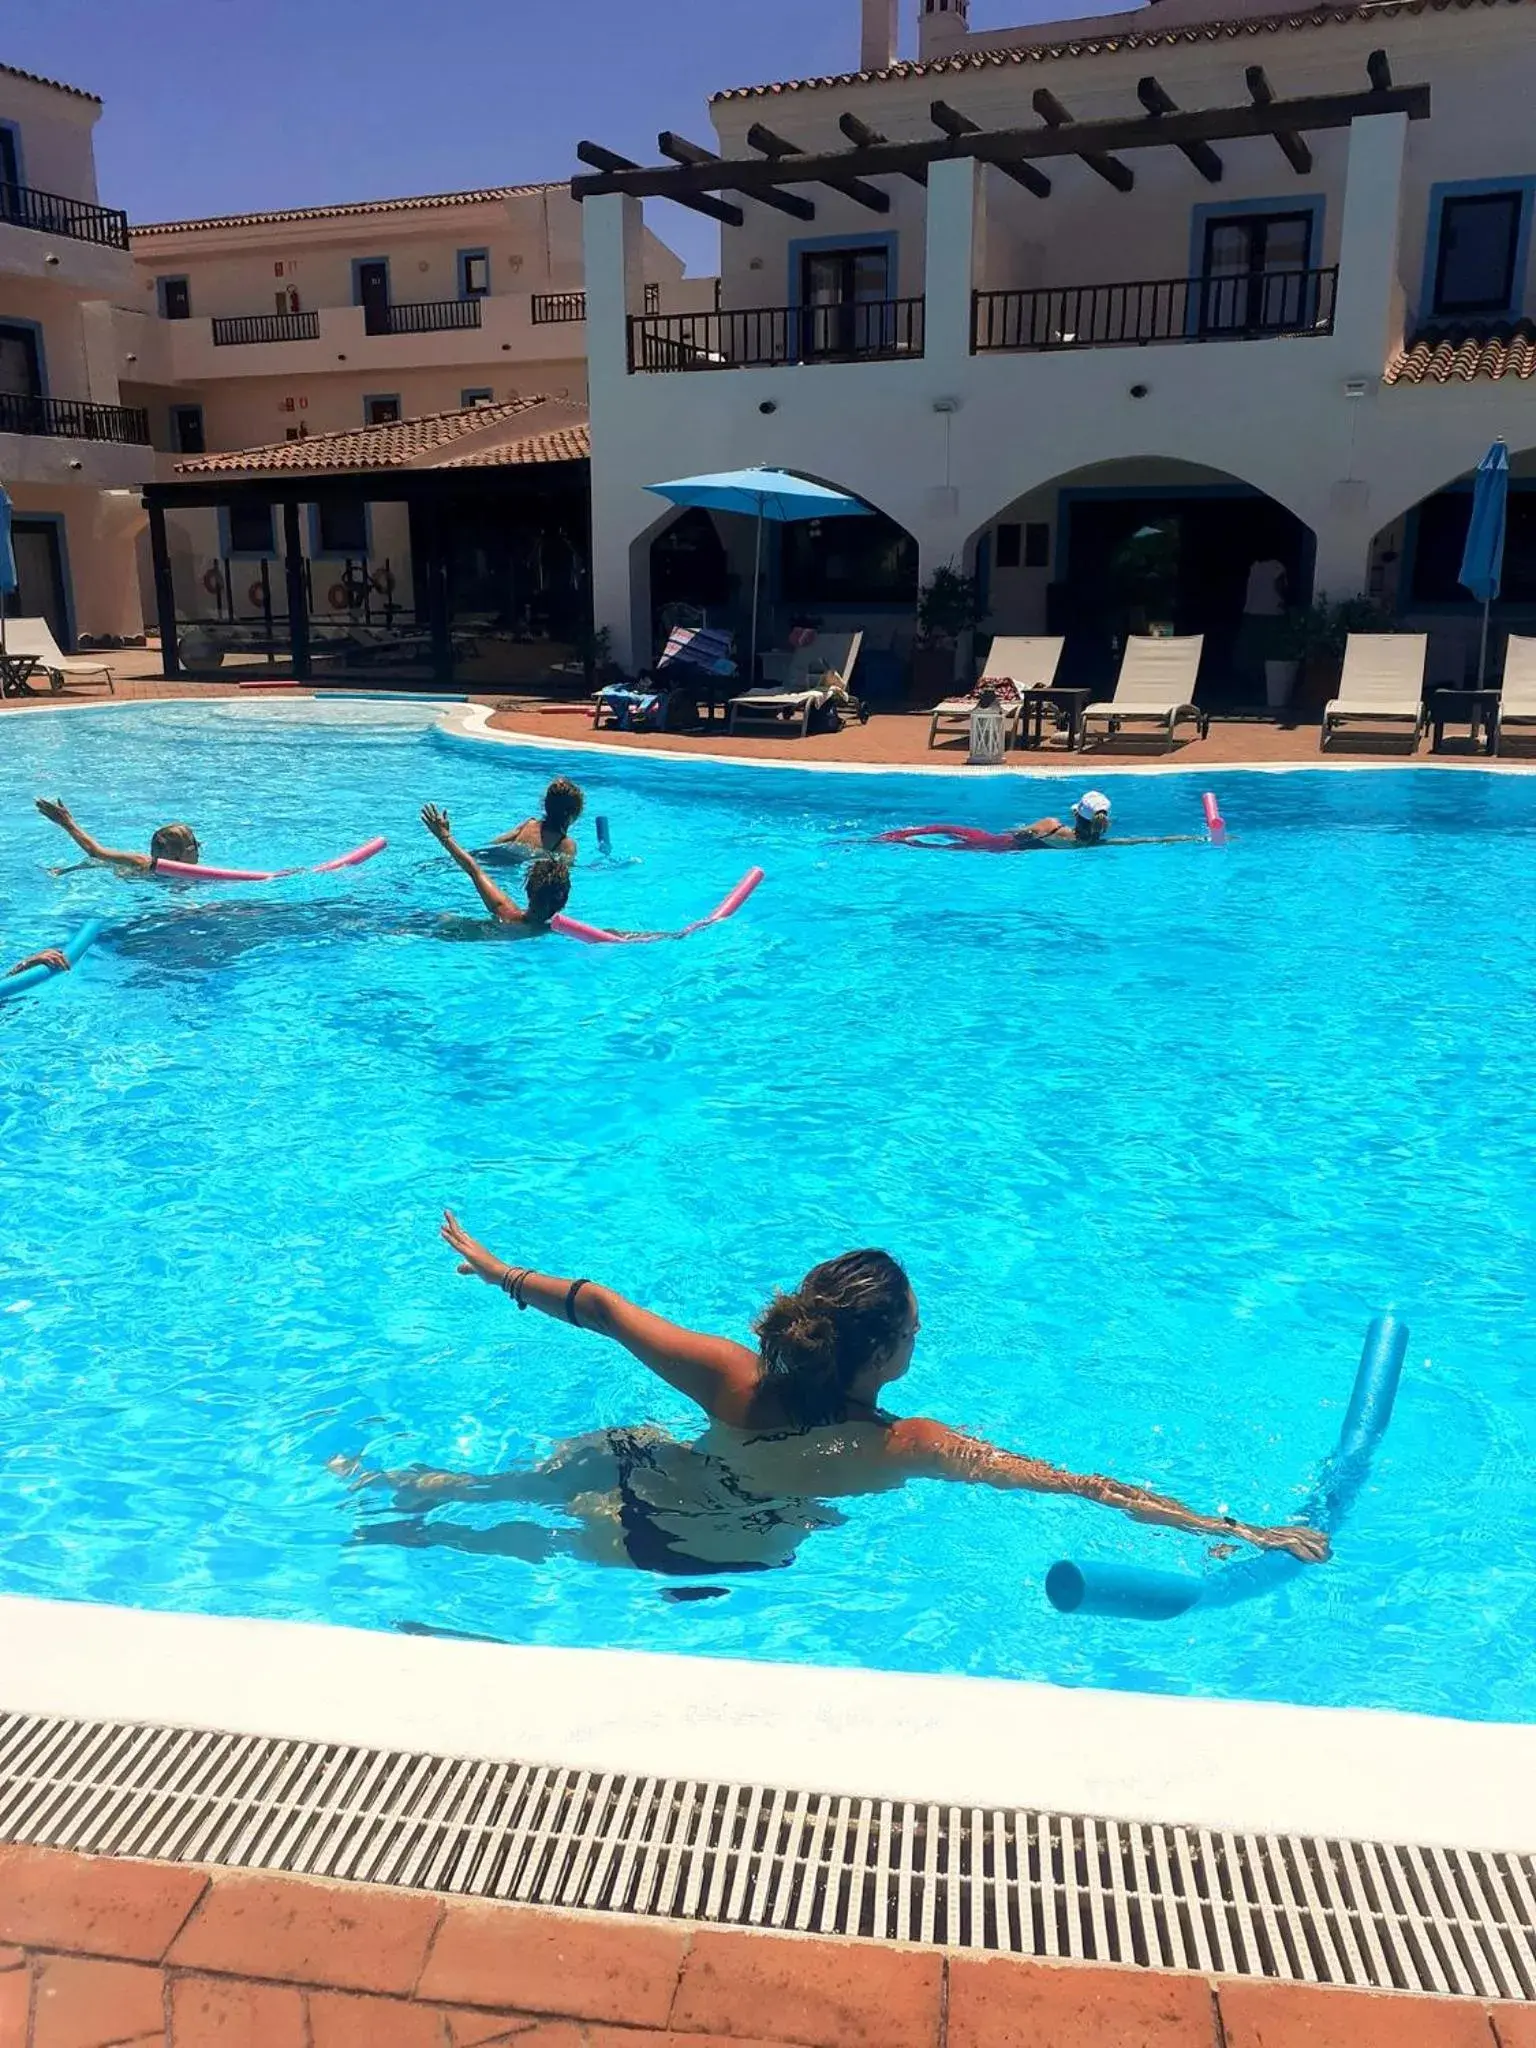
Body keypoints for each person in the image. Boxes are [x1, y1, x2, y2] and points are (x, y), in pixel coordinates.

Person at [332, 1214, 1330, 1580]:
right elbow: (1079, 1488)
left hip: (668, 1489)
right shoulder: (912, 1445)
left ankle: (413, 1491)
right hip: (717, 1555)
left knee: (615, 1445)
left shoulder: (732, 1373)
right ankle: (436, 1527)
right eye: (915, 1327)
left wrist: (501, 1268)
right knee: (574, 1531)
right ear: (888, 1349)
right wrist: (1233, 1528)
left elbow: (599, 1306)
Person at [420, 803, 570, 935]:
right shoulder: (558, 930)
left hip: (449, 931)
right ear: (563, 902)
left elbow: (473, 869)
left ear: (528, 890)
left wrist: (444, 836)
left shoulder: (505, 911)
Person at [35, 798, 199, 873]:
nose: (198, 851)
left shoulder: (196, 869)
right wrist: (67, 823)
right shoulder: (142, 863)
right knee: (103, 862)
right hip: (128, 874)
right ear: (173, 855)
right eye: (193, 847)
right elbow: (96, 852)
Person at [1009, 791, 1204, 849]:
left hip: (1001, 847)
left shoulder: (1050, 825)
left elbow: (1014, 835)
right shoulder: (1096, 844)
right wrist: (1197, 838)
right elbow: (1152, 840)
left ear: (1076, 814)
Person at [489, 777, 584, 863]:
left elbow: (496, 842)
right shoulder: (566, 844)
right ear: (575, 812)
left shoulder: (528, 824)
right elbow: (563, 875)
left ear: (545, 805)